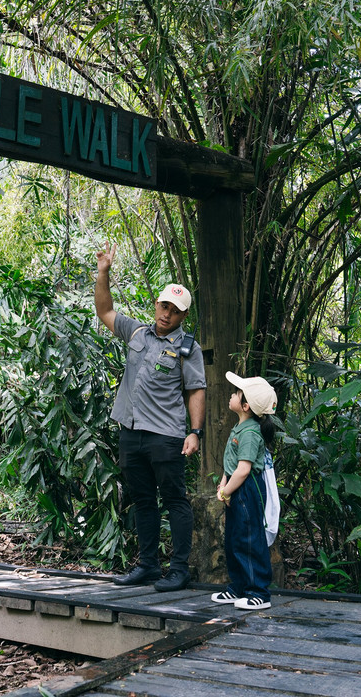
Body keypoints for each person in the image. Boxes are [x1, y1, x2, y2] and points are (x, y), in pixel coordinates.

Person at [94, 242, 206, 592]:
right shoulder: (137, 332)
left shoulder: (188, 348)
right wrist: (103, 272)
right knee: (142, 499)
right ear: (156, 304)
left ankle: (179, 570)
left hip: (165, 436)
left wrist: (195, 431)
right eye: (163, 305)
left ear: (183, 315)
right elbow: (104, 311)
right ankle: (147, 566)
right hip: (131, 431)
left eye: (174, 310)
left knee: (174, 500)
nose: (166, 313)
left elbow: (196, 389)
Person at [211, 370, 280, 610]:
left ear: (246, 406)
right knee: (234, 538)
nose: (232, 395)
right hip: (236, 488)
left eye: (236, 393)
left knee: (249, 539)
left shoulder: (250, 433)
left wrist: (227, 491)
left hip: (247, 489)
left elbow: (243, 469)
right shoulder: (240, 429)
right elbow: (231, 464)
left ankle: (258, 591)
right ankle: (238, 587)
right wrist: (223, 483)